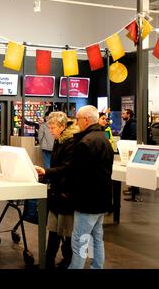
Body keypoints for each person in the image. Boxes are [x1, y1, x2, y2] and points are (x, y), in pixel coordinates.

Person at [68, 105, 114, 269]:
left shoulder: (84, 143)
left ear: (86, 120)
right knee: (96, 238)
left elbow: (77, 174)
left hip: (87, 201)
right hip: (102, 199)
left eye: (78, 119)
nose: (76, 122)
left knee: (80, 240)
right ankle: (97, 266)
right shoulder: (104, 140)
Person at [35, 112, 79, 269]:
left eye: (53, 127)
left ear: (62, 126)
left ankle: (67, 261)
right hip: (57, 193)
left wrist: (47, 173)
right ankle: (49, 260)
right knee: (54, 230)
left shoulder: (71, 143)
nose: (50, 130)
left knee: (65, 231)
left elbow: (67, 168)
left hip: (66, 194)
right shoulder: (60, 141)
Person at [120, 109, 141, 202]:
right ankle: (133, 189)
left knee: (133, 169)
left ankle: (135, 191)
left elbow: (133, 135)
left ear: (128, 114)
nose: (122, 115)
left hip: (131, 148)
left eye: (124, 114)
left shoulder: (132, 123)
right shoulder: (130, 122)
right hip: (129, 147)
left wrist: (126, 143)